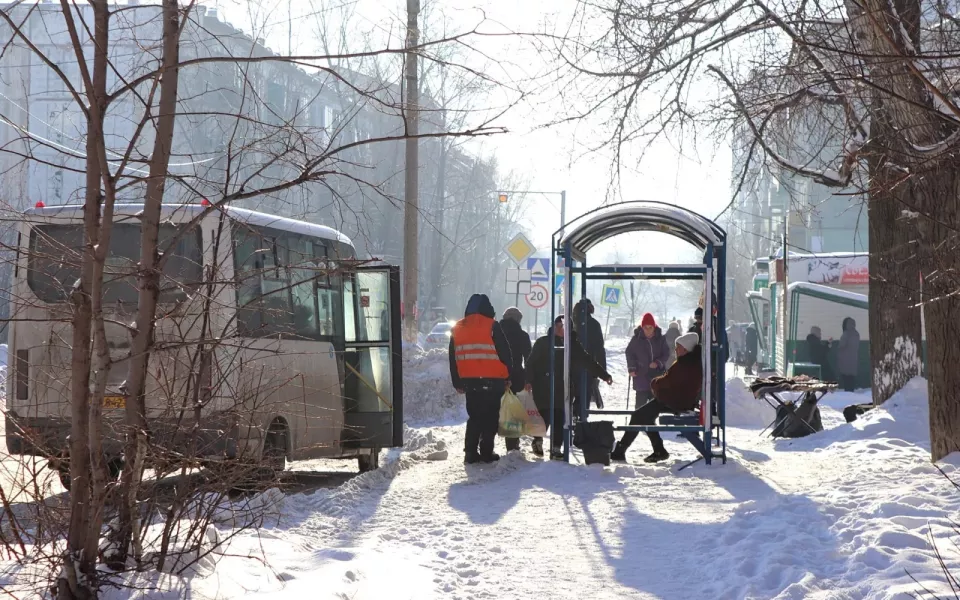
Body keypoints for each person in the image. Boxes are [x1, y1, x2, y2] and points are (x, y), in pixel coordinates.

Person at [526, 316, 613, 459]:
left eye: (563, 326)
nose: (560, 329)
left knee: (560, 416)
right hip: (543, 386)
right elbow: (531, 362)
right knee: (545, 414)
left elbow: (587, 361)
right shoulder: (543, 342)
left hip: (563, 386)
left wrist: (604, 375)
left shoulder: (572, 345)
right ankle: (538, 440)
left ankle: (556, 448)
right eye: (558, 326)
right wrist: (528, 380)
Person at [612, 332, 703, 463]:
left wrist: (654, 383)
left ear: (685, 349)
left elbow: (668, 381)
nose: (675, 349)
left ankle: (622, 451)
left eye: (678, 347)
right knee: (644, 416)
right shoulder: (689, 362)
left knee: (638, 416)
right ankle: (657, 450)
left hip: (674, 401)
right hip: (677, 399)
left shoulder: (684, 364)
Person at [449, 294, 513, 464]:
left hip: (470, 381)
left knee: (475, 416)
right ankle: (486, 451)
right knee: (491, 416)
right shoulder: (492, 326)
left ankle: (470, 452)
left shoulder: (457, 328)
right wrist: (508, 376)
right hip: (494, 380)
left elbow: (452, 357)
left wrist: (457, 382)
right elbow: (504, 353)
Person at [500, 306, 532, 452]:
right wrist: (528, 379)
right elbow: (529, 359)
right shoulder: (522, 336)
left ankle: (485, 444)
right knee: (513, 411)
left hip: (495, 377)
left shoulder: (494, 333)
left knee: (492, 410)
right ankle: (512, 445)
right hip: (516, 378)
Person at [626, 313, 671, 409]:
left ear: (654, 327)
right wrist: (632, 368)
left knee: (654, 406)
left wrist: (658, 363)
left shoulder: (660, 339)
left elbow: (666, 353)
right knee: (640, 405)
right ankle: (638, 423)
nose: (648, 330)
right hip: (641, 375)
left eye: (650, 327)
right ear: (642, 327)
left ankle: (651, 423)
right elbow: (629, 353)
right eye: (645, 327)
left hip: (656, 376)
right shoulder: (636, 339)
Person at [574, 299, 607, 409]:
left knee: (570, 396)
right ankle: (581, 420)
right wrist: (602, 370)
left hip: (569, 367)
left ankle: (572, 418)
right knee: (584, 396)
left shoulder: (570, 323)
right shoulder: (594, 324)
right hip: (589, 366)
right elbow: (599, 349)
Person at [837, 317, 860, 392]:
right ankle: (851, 391)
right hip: (853, 358)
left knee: (846, 378)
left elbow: (841, 345)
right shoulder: (856, 333)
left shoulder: (846, 334)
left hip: (845, 359)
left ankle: (848, 393)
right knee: (851, 378)